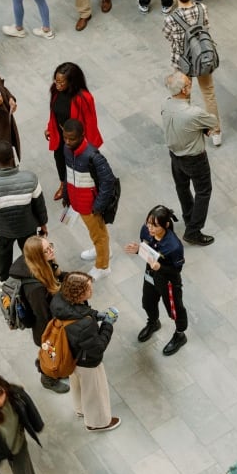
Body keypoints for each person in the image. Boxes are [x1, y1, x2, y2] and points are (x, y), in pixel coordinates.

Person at [48, 272, 120, 432]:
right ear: (79, 293)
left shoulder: (59, 300)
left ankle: (80, 409)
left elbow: (79, 310)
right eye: (88, 288)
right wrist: (107, 324)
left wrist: (96, 315)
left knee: (77, 384)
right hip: (86, 360)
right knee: (94, 391)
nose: (92, 290)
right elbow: (98, 347)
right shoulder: (84, 325)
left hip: (69, 355)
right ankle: (97, 422)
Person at [0, 141, 47, 282]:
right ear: (12, 157)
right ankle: (36, 276)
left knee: (4, 253)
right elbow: (39, 205)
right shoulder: (30, 179)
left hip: (3, 230)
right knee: (30, 253)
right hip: (28, 227)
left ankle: (3, 280)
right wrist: (43, 224)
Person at [161, 72, 217, 246]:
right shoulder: (193, 113)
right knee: (203, 191)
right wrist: (204, 129)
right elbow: (212, 121)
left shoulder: (166, 104)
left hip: (175, 155)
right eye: (188, 84)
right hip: (195, 159)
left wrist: (199, 129)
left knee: (182, 188)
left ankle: (188, 218)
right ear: (184, 90)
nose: (190, 86)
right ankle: (193, 230)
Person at [124, 205, 188, 355]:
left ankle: (180, 335)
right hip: (150, 274)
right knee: (147, 302)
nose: (150, 228)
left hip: (169, 282)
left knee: (175, 310)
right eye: (148, 223)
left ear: (166, 225)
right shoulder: (145, 230)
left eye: (155, 225)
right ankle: (153, 322)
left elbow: (176, 270)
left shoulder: (174, 246)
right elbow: (147, 250)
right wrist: (138, 250)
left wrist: (161, 267)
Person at [164, 0, 221, 143]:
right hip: (202, 59)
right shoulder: (202, 9)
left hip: (182, 62)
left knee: (183, 97)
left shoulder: (171, 19)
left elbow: (168, 36)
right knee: (208, 93)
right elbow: (207, 28)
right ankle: (216, 132)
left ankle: (186, 130)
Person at [9, 237, 68, 393]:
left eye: (51, 246)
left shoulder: (38, 264)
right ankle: (48, 379)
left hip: (47, 326)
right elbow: (43, 315)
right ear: (37, 256)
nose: (52, 251)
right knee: (51, 355)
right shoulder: (35, 288)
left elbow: (56, 277)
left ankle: (49, 365)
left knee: (51, 353)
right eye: (46, 250)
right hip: (46, 330)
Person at [61, 119, 117, 280]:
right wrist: (67, 194)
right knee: (96, 233)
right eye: (65, 137)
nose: (67, 142)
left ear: (82, 136)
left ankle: (102, 266)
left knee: (99, 235)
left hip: (90, 205)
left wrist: (98, 205)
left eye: (72, 138)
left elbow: (108, 181)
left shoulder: (93, 156)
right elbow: (68, 173)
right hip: (78, 200)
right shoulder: (67, 149)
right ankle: (102, 250)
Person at [45, 63, 102, 202]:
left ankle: (81, 190)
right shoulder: (55, 90)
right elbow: (54, 111)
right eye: (56, 80)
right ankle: (64, 185)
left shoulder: (84, 98)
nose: (57, 84)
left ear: (71, 81)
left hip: (77, 139)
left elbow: (90, 123)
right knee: (59, 159)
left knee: (78, 166)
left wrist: (89, 146)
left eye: (61, 82)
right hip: (60, 133)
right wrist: (50, 127)